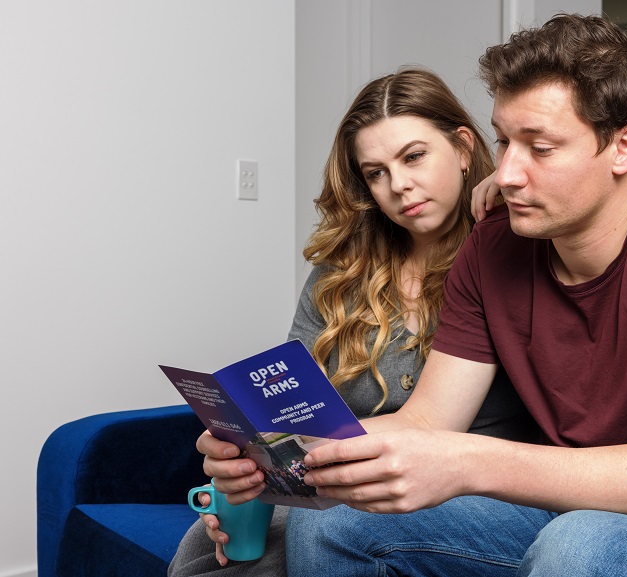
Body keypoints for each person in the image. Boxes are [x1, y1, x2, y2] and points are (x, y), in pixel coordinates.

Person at [251, 12, 627, 576]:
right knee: (333, 521)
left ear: (624, 146)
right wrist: (272, 449)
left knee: (585, 546)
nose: (507, 173)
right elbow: (425, 424)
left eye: (539, 148)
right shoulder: (494, 245)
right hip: (564, 513)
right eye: (505, 141)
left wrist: (467, 462)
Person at [169, 67, 537, 576]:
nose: (399, 186)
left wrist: (518, 181)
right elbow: (292, 407)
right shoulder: (341, 272)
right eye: (376, 172)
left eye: (414, 157)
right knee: (205, 550)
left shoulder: (513, 249)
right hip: (342, 478)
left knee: (327, 527)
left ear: (464, 147)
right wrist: (244, 457)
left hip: (469, 492)